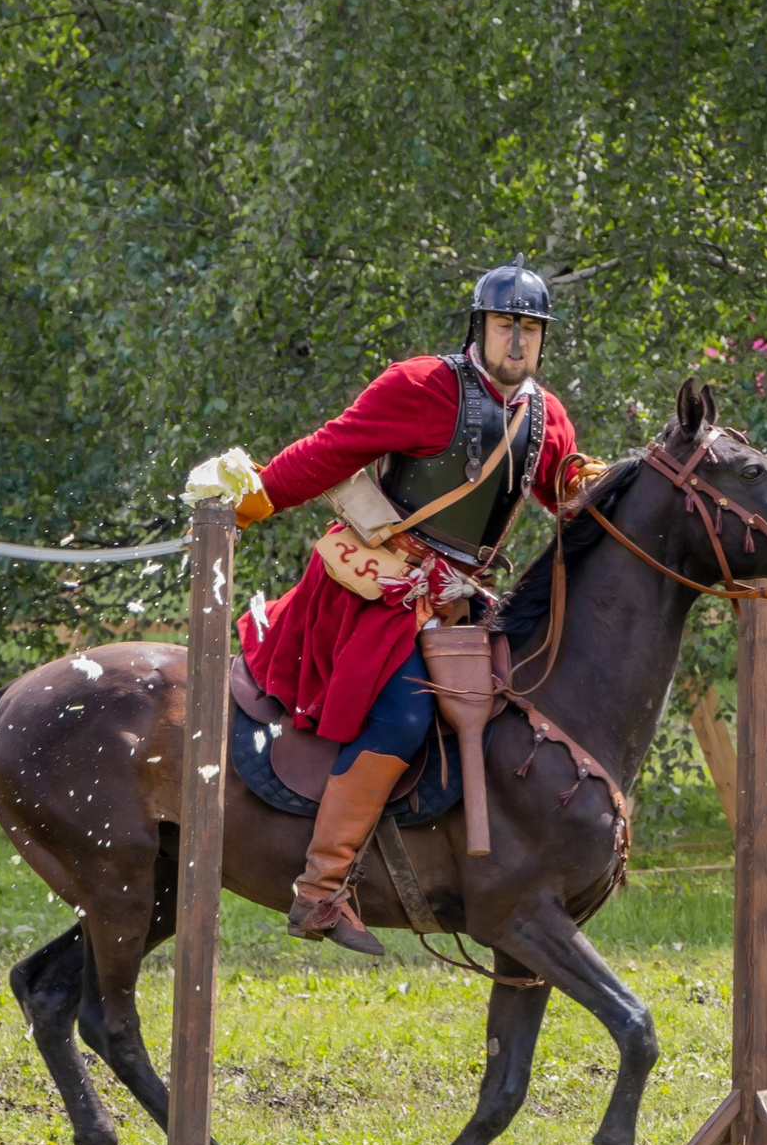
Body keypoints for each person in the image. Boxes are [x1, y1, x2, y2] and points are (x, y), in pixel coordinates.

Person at [217, 261, 581, 954]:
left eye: (531, 330)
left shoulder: (542, 414)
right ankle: (321, 889)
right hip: (381, 587)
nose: (518, 342)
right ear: (480, 327)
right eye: (508, 325)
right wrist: (253, 498)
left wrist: (607, 486)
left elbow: (565, 488)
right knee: (407, 708)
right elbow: (330, 452)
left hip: (459, 600)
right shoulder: (421, 385)